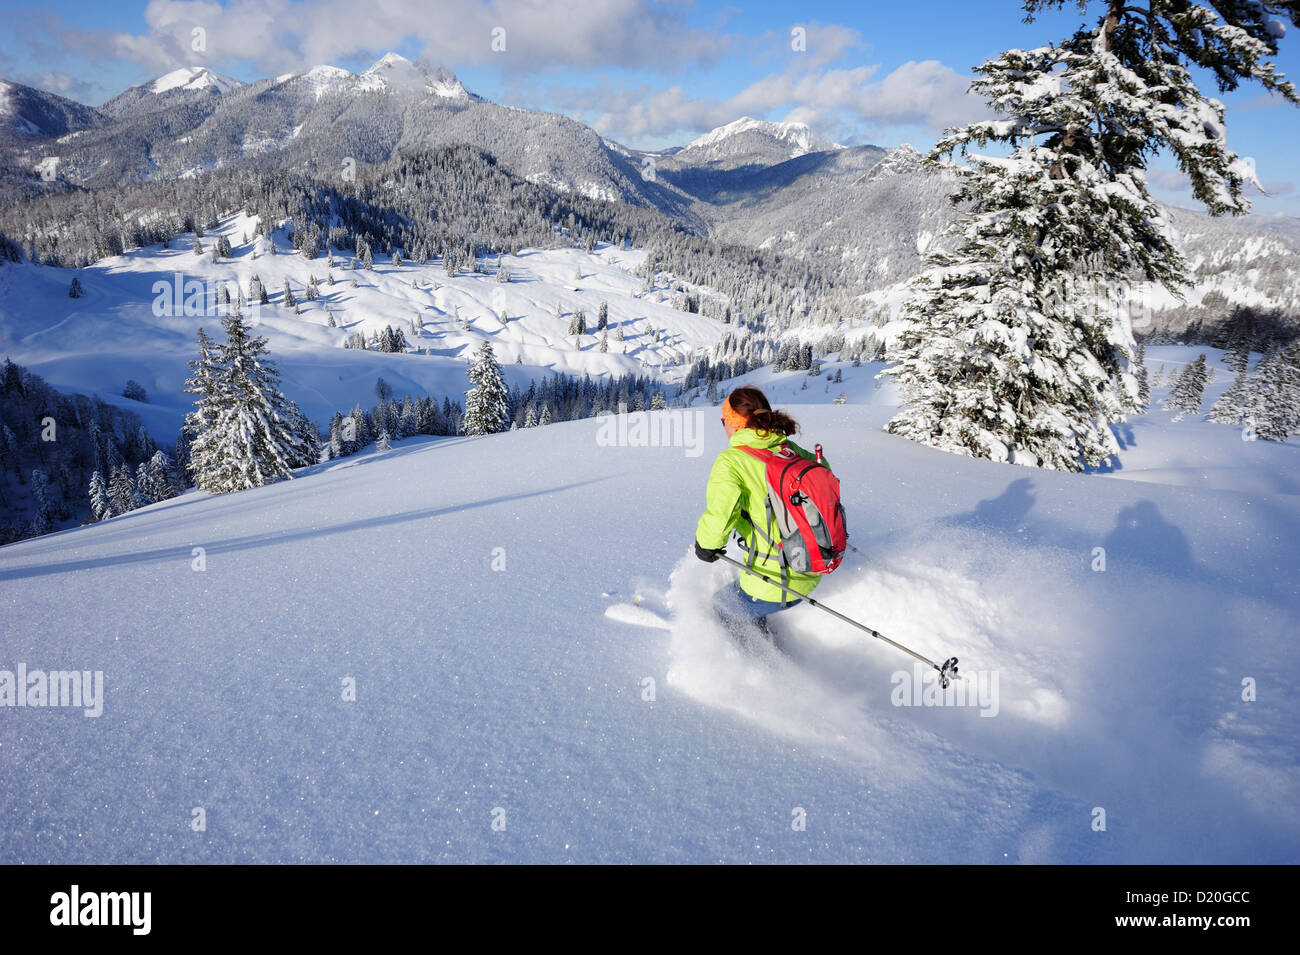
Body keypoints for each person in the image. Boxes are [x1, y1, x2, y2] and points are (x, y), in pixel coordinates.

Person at [694, 386, 825, 636]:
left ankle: (755, 666)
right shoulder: (790, 450)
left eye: (724, 420)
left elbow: (720, 515)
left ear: (735, 424)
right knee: (748, 604)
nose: (723, 426)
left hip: (774, 582)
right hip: (813, 568)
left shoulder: (732, 461)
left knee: (722, 605)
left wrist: (705, 546)